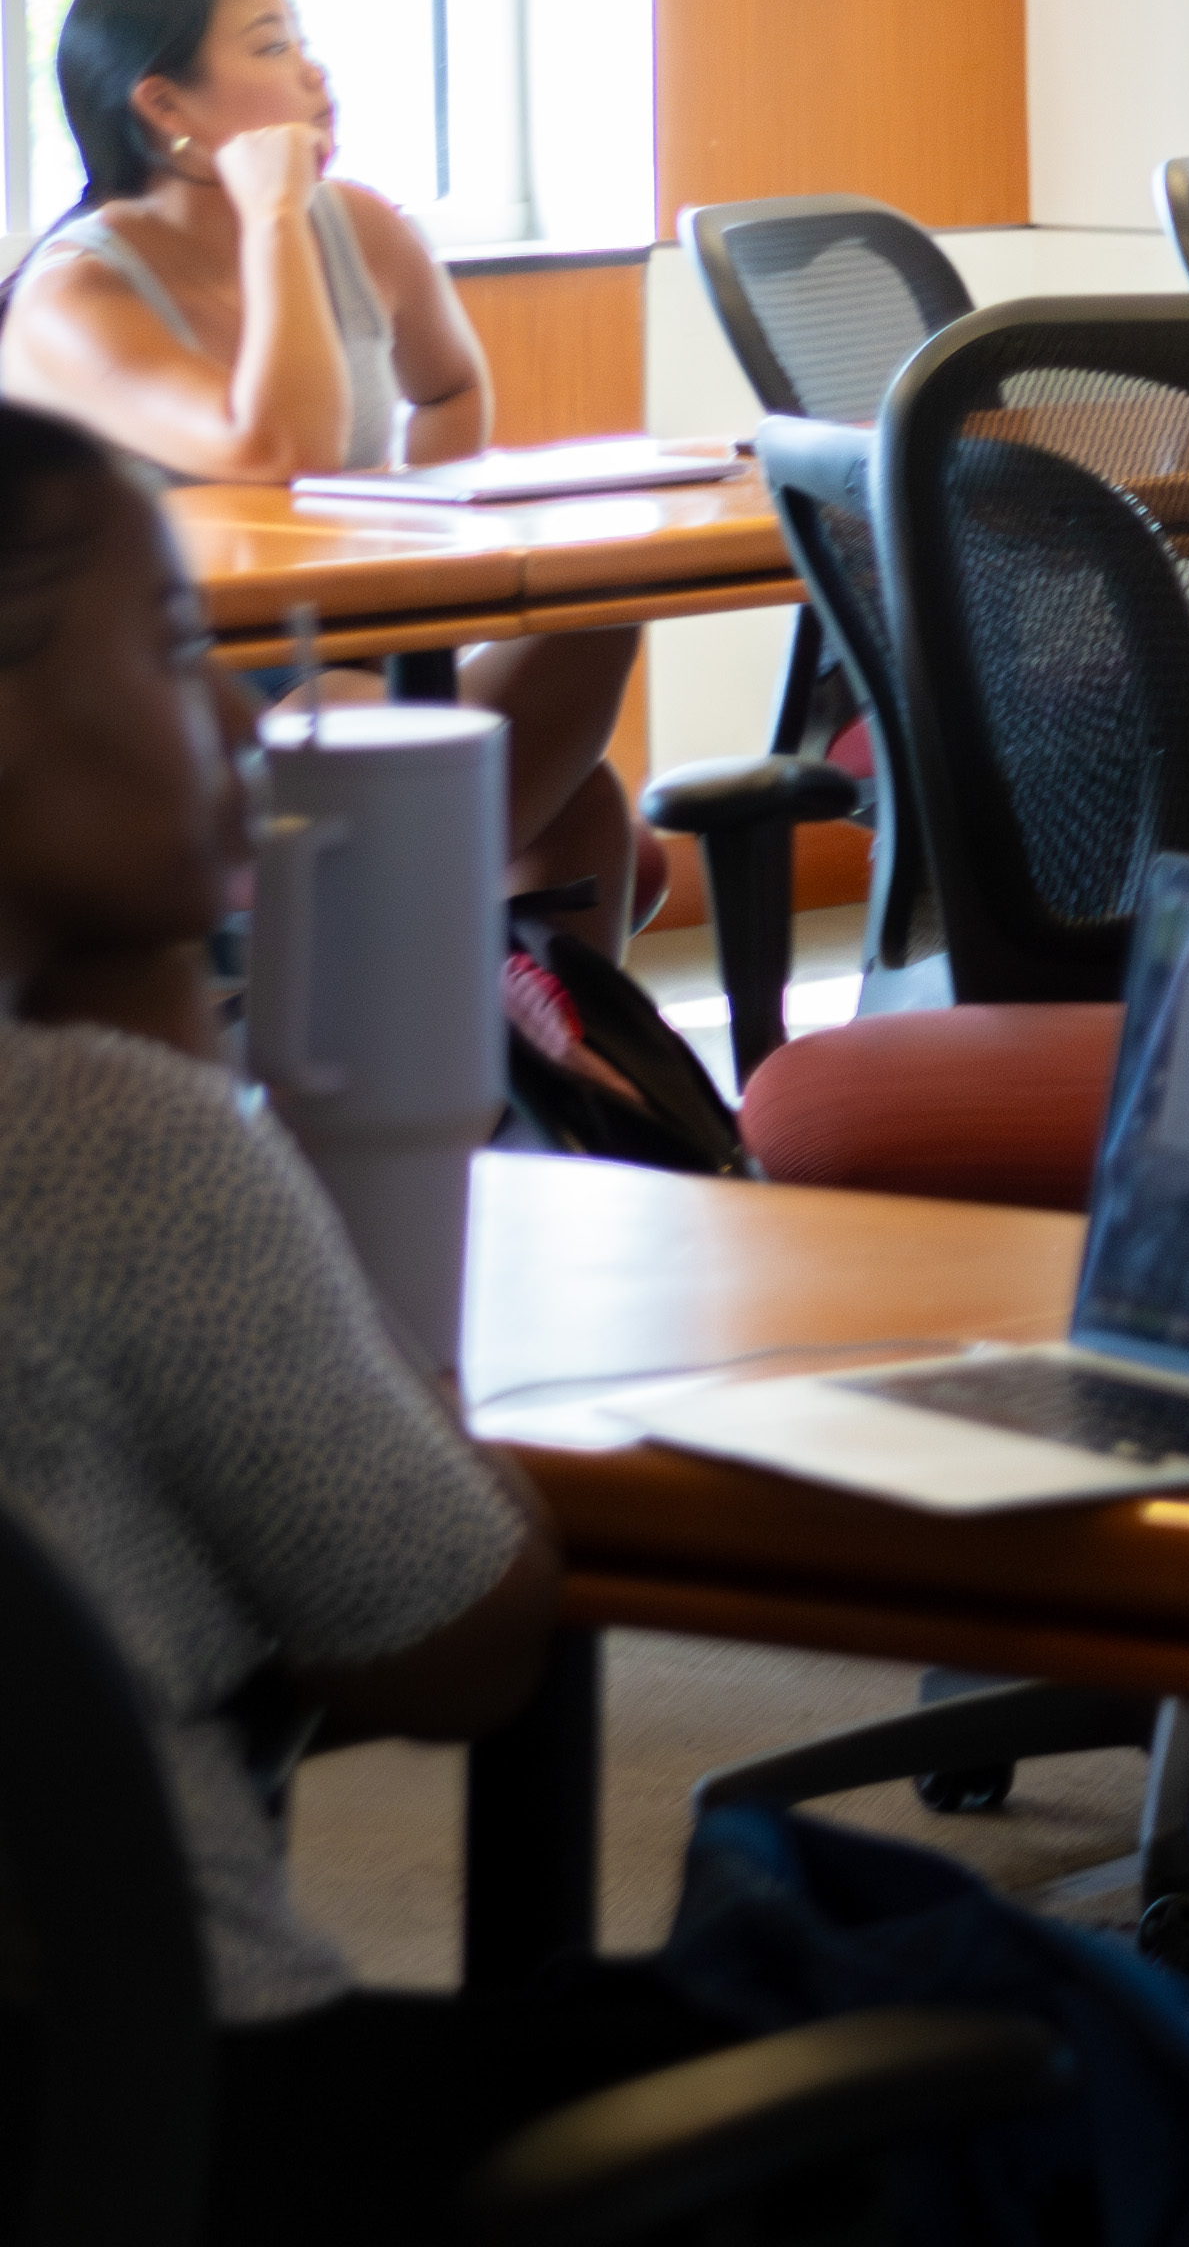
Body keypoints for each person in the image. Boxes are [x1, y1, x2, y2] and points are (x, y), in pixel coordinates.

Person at [0, 401, 746, 2227]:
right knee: (1055, 2074)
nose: (245, 725)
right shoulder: (100, 1143)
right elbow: (450, 1640)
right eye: (181, 652)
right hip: (175, 2124)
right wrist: (166, 1011)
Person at [0, 0, 645, 915]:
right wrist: (271, 212)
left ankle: (521, 1048)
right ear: (165, 108)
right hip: (158, 709)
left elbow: (451, 386)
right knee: (379, 744)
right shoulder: (74, 298)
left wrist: (420, 551)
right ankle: (430, 1004)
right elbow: (278, 450)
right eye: (273, 44)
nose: (315, 71)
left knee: (603, 616)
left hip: (349, 646)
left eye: (303, 38)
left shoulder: (361, 227)